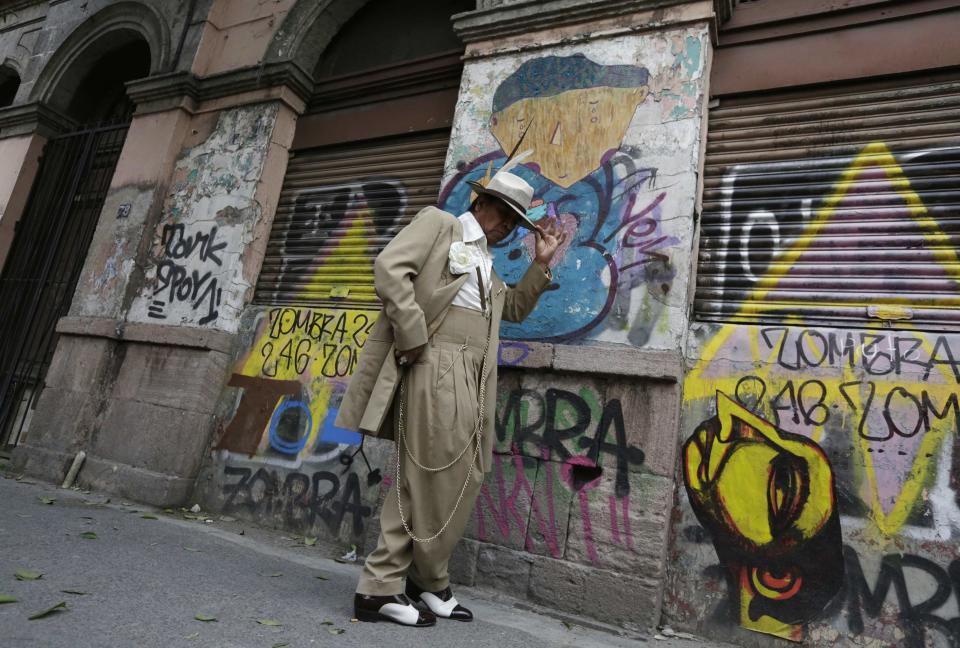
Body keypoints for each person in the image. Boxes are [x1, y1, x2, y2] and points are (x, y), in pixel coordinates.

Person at [334, 169, 566, 627]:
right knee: (422, 475)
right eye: (506, 213)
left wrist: (541, 263)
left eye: (518, 221)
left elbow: (513, 309)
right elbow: (389, 268)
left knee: (466, 474)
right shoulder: (441, 224)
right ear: (482, 203)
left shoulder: (486, 262)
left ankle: (428, 579)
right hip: (434, 362)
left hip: (476, 373)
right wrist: (412, 334)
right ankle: (379, 588)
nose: (509, 226)